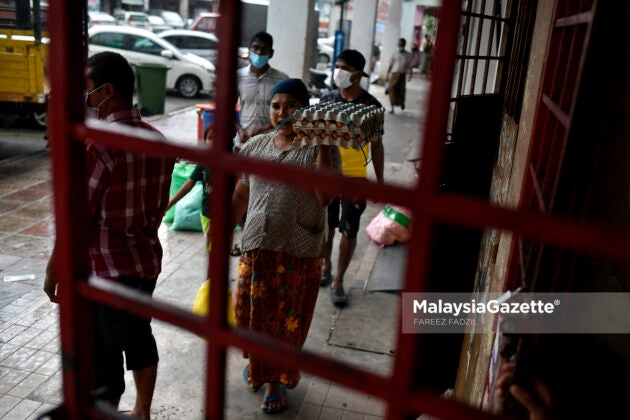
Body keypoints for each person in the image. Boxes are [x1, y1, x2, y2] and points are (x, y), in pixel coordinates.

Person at [43, 51, 175, 420]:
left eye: (88, 90)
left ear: (107, 91)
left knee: (104, 357)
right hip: (145, 264)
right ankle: (142, 411)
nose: (84, 98)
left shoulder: (99, 144)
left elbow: (78, 217)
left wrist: (56, 267)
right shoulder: (159, 141)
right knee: (139, 337)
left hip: (107, 270)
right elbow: (159, 207)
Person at [231, 78, 340, 414]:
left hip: (298, 252)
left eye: (291, 105)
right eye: (277, 106)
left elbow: (325, 197)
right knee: (248, 314)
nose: (282, 112)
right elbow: (241, 193)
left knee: (284, 322)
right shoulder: (256, 146)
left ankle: (274, 381)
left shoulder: (320, 149)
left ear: (305, 109)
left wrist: (322, 143)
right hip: (256, 245)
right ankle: (261, 364)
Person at [319, 49, 385, 307]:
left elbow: (377, 147)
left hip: (356, 178)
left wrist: (379, 181)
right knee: (326, 226)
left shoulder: (372, 107)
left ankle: (338, 280)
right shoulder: (327, 100)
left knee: (349, 229)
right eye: (336, 66)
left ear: (358, 74)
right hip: (327, 176)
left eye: (343, 68)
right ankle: (325, 263)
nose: (338, 72)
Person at [233, 31, 289, 152]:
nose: (259, 52)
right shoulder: (239, 76)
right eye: (256, 48)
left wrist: (266, 127)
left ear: (271, 53)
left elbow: (288, 113)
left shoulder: (282, 79)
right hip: (244, 141)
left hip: (271, 143)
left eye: (264, 49)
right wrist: (239, 129)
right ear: (249, 50)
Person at [386, 38, 414, 114]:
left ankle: (401, 103)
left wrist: (410, 75)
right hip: (394, 75)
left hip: (402, 75)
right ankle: (392, 108)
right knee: (392, 91)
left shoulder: (408, 55)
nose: (400, 46)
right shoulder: (394, 54)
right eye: (399, 44)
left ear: (404, 45)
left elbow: (410, 66)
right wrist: (387, 75)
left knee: (401, 91)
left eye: (401, 44)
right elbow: (390, 65)